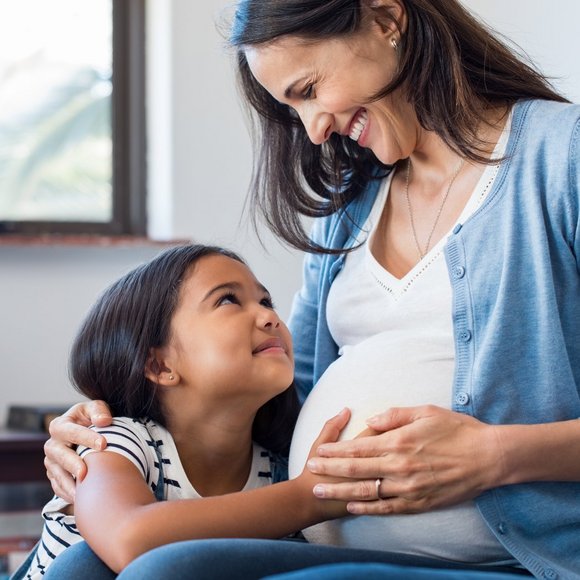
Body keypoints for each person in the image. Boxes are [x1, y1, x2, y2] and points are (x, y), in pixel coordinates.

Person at [42, 0, 580, 578]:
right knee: (79, 567)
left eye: (309, 89)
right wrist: (104, 431)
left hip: (507, 556)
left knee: (162, 572)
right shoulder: (351, 208)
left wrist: (494, 457)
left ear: (385, 19)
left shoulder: (560, 157)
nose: (315, 129)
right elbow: (282, 394)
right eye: (291, 108)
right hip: (327, 541)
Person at [12, 243, 358, 579]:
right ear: (160, 365)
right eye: (228, 300)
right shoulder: (115, 443)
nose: (269, 316)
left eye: (266, 301)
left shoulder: (279, 468)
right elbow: (128, 538)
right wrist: (307, 497)